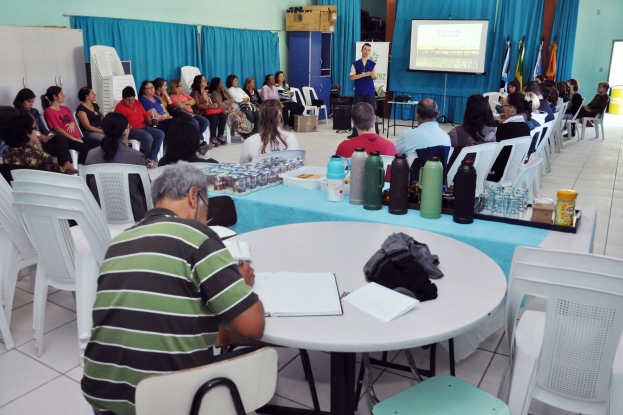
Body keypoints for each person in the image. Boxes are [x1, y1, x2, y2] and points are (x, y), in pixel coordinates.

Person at [81, 162, 265, 415]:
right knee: (261, 355)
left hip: (102, 396)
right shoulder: (197, 235)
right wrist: (242, 286)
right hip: (168, 401)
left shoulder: (119, 242)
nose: (206, 220)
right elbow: (253, 326)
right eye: (206, 211)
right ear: (193, 196)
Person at [85, 113, 148, 222]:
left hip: (99, 218)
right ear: (125, 132)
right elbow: (146, 191)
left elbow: (88, 188)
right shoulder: (136, 157)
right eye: (128, 127)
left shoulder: (91, 155)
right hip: (134, 217)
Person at [13, 88, 79, 173]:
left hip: (43, 138)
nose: (31, 104)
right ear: (21, 101)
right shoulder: (16, 114)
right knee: (60, 148)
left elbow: (43, 128)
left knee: (60, 138)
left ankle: (66, 164)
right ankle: (64, 166)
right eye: (29, 102)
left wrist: (49, 134)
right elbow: (21, 134)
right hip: (33, 141)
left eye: (33, 102)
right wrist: (38, 139)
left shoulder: (34, 111)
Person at [41, 86, 95, 165]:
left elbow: (74, 123)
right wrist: (74, 139)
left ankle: (92, 166)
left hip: (77, 137)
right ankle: (81, 168)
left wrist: (72, 123)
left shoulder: (66, 108)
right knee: (85, 148)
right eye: (61, 94)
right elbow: (57, 129)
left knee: (96, 144)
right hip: (66, 140)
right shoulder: (48, 111)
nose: (64, 95)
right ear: (55, 96)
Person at [1, 111, 68, 174]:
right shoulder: (42, 157)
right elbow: (63, 174)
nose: (36, 132)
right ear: (27, 133)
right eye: (35, 128)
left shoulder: (6, 153)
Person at [114, 86, 164, 168]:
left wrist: (150, 120)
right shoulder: (120, 108)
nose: (131, 102)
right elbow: (122, 124)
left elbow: (145, 114)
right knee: (148, 137)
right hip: (131, 130)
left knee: (160, 134)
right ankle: (142, 159)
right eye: (128, 100)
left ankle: (150, 158)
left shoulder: (137, 102)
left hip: (143, 126)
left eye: (132, 99)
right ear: (123, 98)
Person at [487, 92, 532, 182]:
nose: (503, 108)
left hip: (496, 173)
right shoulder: (526, 127)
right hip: (513, 171)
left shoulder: (504, 128)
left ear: (511, 108)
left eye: (504, 105)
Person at [239, 99, 300, 164]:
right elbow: (298, 164)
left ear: (261, 117)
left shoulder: (249, 142)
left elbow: (243, 167)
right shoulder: (291, 137)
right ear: (280, 117)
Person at [349, 43, 378, 138]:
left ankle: (375, 131)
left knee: (372, 111)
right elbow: (352, 77)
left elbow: (375, 77)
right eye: (365, 49)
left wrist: (372, 75)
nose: (366, 52)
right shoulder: (355, 64)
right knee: (357, 111)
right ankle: (355, 131)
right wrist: (364, 74)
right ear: (361, 50)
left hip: (369, 90)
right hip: (359, 90)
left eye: (368, 50)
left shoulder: (372, 64)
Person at [190, 75, 227, 146]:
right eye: (204, 81)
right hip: (200, 113)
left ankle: (220, 136)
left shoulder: (205, 92)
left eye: (205, 80)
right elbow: (197, 105)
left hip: (207, 111)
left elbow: (209, 103)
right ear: (199, 83)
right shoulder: (195, 92)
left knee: (223, 116)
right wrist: (210, 106)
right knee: (214, 117)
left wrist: (213, 105)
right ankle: (213, 138)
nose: (206, 81)